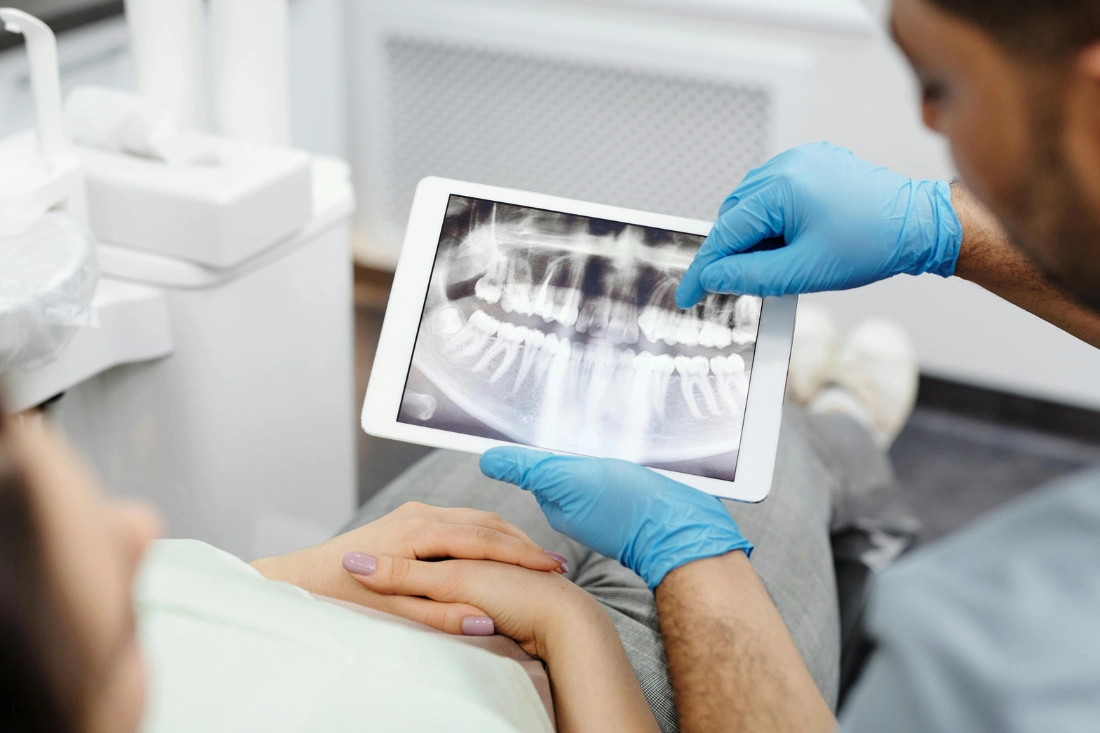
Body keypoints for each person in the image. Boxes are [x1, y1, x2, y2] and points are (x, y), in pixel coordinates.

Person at [422, 0, 1097, 730]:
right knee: (775, 438)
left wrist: (681, 558)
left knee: (756, 436)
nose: (930, 118)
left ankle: (833, 421)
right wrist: (945, 228)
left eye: (942, 84)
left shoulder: (995, 658)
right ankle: (839, 422)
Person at [0, 406, 662, 732]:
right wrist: (573, 625)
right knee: (685, 472)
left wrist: (300, 574)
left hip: (373, 590)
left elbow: (174, 585)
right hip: (583, 695)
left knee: (559, 434)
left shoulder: (45, 629)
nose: (142, 529)